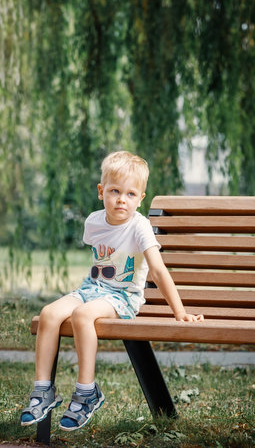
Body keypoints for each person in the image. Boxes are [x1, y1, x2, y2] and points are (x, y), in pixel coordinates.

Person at [20, 150, 204, 432]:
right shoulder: (93, 222)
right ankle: (43, 391)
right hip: (91, 288)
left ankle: (86, 392)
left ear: (141, 198)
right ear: (100, 191)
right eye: (115, 191)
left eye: (130, 194)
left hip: (122, 298)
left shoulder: (139, 226)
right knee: (48, 314)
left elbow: (157, 270)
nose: (121, 199)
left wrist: (180, 312)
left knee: (82, 315)